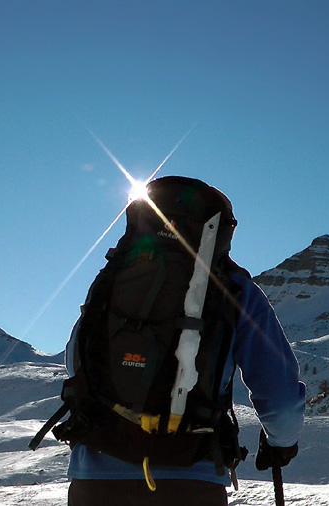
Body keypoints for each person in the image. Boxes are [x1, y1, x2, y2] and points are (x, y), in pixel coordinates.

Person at [63, 179, 306, 506]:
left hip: (96, 480)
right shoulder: (235, 290)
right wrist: (281, 442)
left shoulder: (114, 277)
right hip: (191, 480)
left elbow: (76, 359)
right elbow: (281, 397)